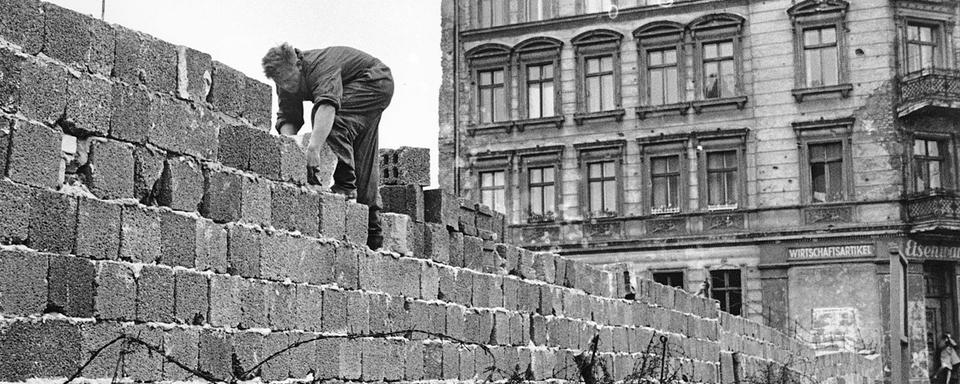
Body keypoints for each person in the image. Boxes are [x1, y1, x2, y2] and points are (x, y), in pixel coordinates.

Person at [261, 43, 394, 250]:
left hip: (375, 81)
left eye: (289, 80)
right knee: (363, 157)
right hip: (363, 88)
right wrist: (289, 150)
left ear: (298, 64)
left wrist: (313, 149)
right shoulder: (284, 79)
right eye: (281, 83)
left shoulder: (319, 66)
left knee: (331, 120)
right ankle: (373, 235)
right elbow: (289, 117)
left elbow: (327, 106)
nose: (287, 86)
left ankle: (345, 187)